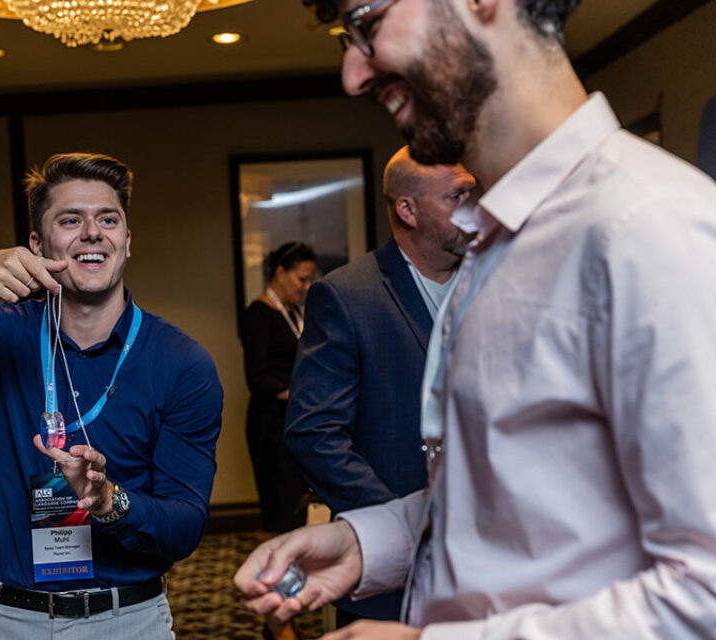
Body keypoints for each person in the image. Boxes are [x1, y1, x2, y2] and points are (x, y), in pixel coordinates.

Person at [235, 0, 716, 637]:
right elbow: (521, 507)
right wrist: (371, 543)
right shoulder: (495, 242)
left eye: (364, 24)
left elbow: (703, 595)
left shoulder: (647, 227)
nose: (352, 72)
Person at [0, 152, 223, 639]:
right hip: (6, 620)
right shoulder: (0, 337)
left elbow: (185, 527)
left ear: (127, 241)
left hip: (128, 622)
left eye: (108, 219)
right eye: (71, 220)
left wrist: (110, 501)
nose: (92, 233)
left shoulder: (181, 363)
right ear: (37, 243)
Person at [283, 148, 474, 627]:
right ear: (407, 210)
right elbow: (314, 433)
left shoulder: (499, 278)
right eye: (457, 197)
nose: (474, 208)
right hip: (392, 575)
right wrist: (405, 526)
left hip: (490, 568)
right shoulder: (349, 295)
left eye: (473, 192)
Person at [241, 242, 317, 534]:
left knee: (301, 503)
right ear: (280, 272)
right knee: (281, 505)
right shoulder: (259, 314)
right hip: (271, 424)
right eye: (301, 278)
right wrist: (298, 393)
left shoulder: (295, 313)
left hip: (296, 418)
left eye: (310, 279)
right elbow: (256, 376)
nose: (306, 286)